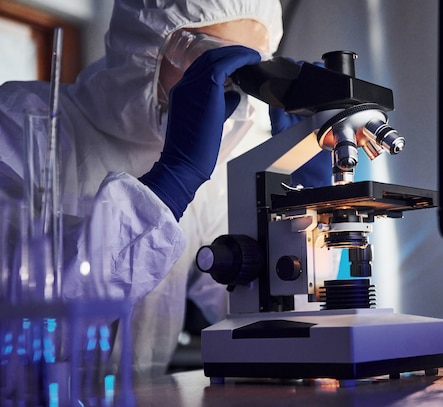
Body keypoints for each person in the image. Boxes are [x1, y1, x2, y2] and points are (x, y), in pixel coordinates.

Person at [0, 0, 290, 378]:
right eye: (211, 60)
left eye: (248, 67)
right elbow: (32, 302)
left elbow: (253, 313)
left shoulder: (209, 171)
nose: (227, 85)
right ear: (146, 45)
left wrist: (293, 206)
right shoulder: (22, 117)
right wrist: (170, 184)